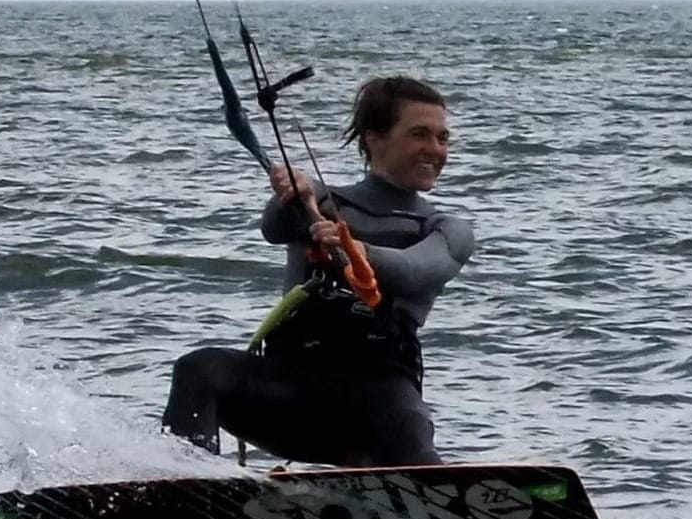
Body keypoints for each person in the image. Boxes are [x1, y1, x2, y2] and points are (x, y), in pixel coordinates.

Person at [161, 75, 476, 467]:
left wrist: (352, 247)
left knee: (412, 440)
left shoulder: (446, 230)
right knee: (200, 368)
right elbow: (274, 228)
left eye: (443, 138)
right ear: (373, 137)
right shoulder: (319, 202)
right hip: (288, 393)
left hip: (379, 405)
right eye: (420, 135)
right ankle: (184, 488)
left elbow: (413, 272)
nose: (435, 149)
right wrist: (290, 195)